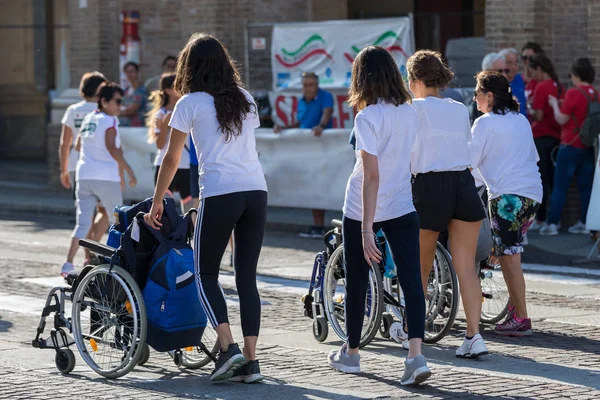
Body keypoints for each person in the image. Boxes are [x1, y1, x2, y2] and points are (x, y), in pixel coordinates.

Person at [144, 33, 267, 384]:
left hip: (220, 191)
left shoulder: (190, 103)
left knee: (204, 273)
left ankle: (228, 350)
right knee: (246, 278)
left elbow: (171, 158)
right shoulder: (245, 98)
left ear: (189, 66)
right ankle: (252, 361)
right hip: (256, 190)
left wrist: (157, 201)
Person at [327, 45, 431, 385]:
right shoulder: (410, 111)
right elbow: (412, 162)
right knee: (412, 281)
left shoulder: (366, 117)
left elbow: (370, 176)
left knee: (357, 281)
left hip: (362, 209)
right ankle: (415, 355)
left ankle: (352, 354)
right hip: (402, 204)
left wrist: (367, 229)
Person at [407, 50, 488, 358]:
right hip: (462, 182)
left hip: (429, 184)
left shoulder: (412, 107)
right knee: (467, 267)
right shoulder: (457, 107)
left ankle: (412, 329)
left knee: (420, 266)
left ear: (414, 79)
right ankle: (473, 335)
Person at [470, 71, 542, 336]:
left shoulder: (484, 123)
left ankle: (521, 317)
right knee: (509, 252)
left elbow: (469, 163)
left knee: (509, 256)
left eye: (477, 93)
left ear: (489, 96)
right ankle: (515, 311)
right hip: (532, 193)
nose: (475, 99)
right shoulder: (520, 120)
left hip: (506, 195)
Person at [61, 82, 137, 277]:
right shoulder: (110, 120)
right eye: (117, 101)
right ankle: (126, 261)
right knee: (120, 220)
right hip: (105, 177)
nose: (120, 106)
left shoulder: (88, 118)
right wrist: (128, 171)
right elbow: (113, 148)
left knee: (83, 223)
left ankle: (68, 263)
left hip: (84, 175)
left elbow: (78, 146)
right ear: (104, 101)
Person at [273, 72, 334, 239]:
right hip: (307, 152)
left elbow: (327, 112)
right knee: (310, 186)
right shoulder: (301, 101)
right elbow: (300, 123)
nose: (308, 88)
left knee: (323, 186)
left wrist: (321, 126)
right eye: (305, 85)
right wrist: (285, 129)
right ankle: (317, 225)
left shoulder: (326, 97)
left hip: (323, 150)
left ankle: (323, 225)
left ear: (317, 85)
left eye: (311, 85)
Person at [59, 71, 109, 265]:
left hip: (76, 165)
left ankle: (88, 254)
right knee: (105, 211)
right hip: (101, 166)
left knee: (85, 213)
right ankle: (93, 247)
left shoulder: (73, 110)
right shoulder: (103, 110)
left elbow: (65, 142)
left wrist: (64, 169)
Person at [542, 58, 597, 236]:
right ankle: (584, 222)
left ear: (575, 75)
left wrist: (553, 106)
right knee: (586, 187)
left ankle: (552, 224)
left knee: (560, 186)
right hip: (587, 145)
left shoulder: (574, 92)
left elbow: (561, 119)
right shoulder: (594, 93)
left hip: (570, 144)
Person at [146, 73, 192, 213]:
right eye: (176, 86)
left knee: (191, 209)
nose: (181, 89)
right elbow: (159, 145)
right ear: (167, 90)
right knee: (164, 209)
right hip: (164, 164)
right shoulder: (160, 114)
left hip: (186, 164)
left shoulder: (187, 110)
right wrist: (166, 123)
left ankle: (191, 235)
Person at [527, 54, 563, 232]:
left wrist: (530, 108)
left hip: (541, 138)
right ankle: (553, 219)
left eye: (533, 71)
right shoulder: (558, 85)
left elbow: (539, 116)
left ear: (539, 69)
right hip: (556, 137)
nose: (532, 75)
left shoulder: (542, 87)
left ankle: (541, 219)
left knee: (540, 181)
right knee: (553, 181)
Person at [472, 53, 510, 122]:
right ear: (486, 72)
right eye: (499, 71)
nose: (504, 75)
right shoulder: (480, 98)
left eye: (506, 71)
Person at [499, 48, 527, 116]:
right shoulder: (498, 83)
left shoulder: (520, 79)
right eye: (509, 63)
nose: (514, 67)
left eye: (516, 62)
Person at [119, 61, 148, 127]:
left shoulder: (142, 90)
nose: (129, 74)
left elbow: (132, 110)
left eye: (132, 71)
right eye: (127, 72)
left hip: (137, 128)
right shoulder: (126, 90)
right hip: (124, 127)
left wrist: (116, 111)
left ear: (137, 72)